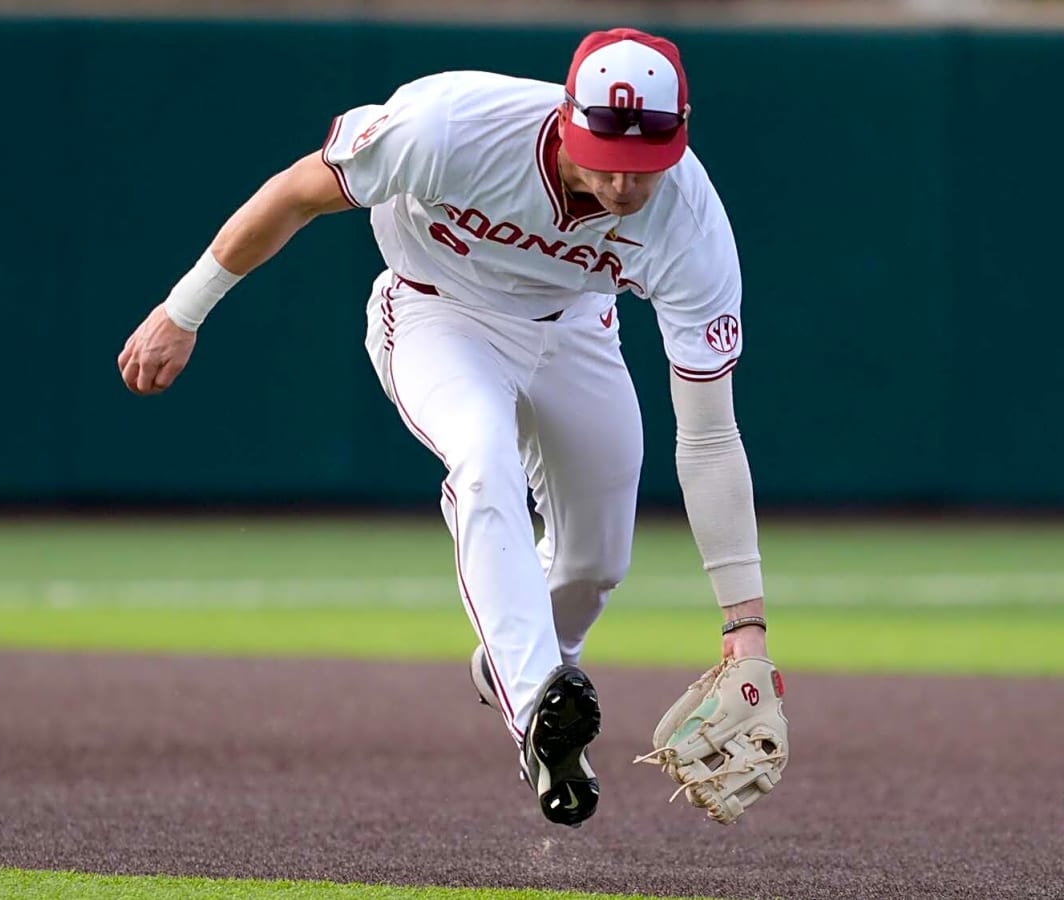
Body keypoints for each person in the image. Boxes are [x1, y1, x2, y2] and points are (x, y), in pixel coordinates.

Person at [117, 28, 772, 829]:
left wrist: (745, 628)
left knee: (598, 559)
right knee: (482, 458)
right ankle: (537, 705)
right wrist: (183, 311)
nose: (623, 183)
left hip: (576, 327)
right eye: (606, 156)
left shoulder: (690, 223)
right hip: (438, 311)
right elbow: (296, 194)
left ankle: (524, 672)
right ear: (567, 118)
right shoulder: (454, 126)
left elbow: (709, 436)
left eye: (645, 163)